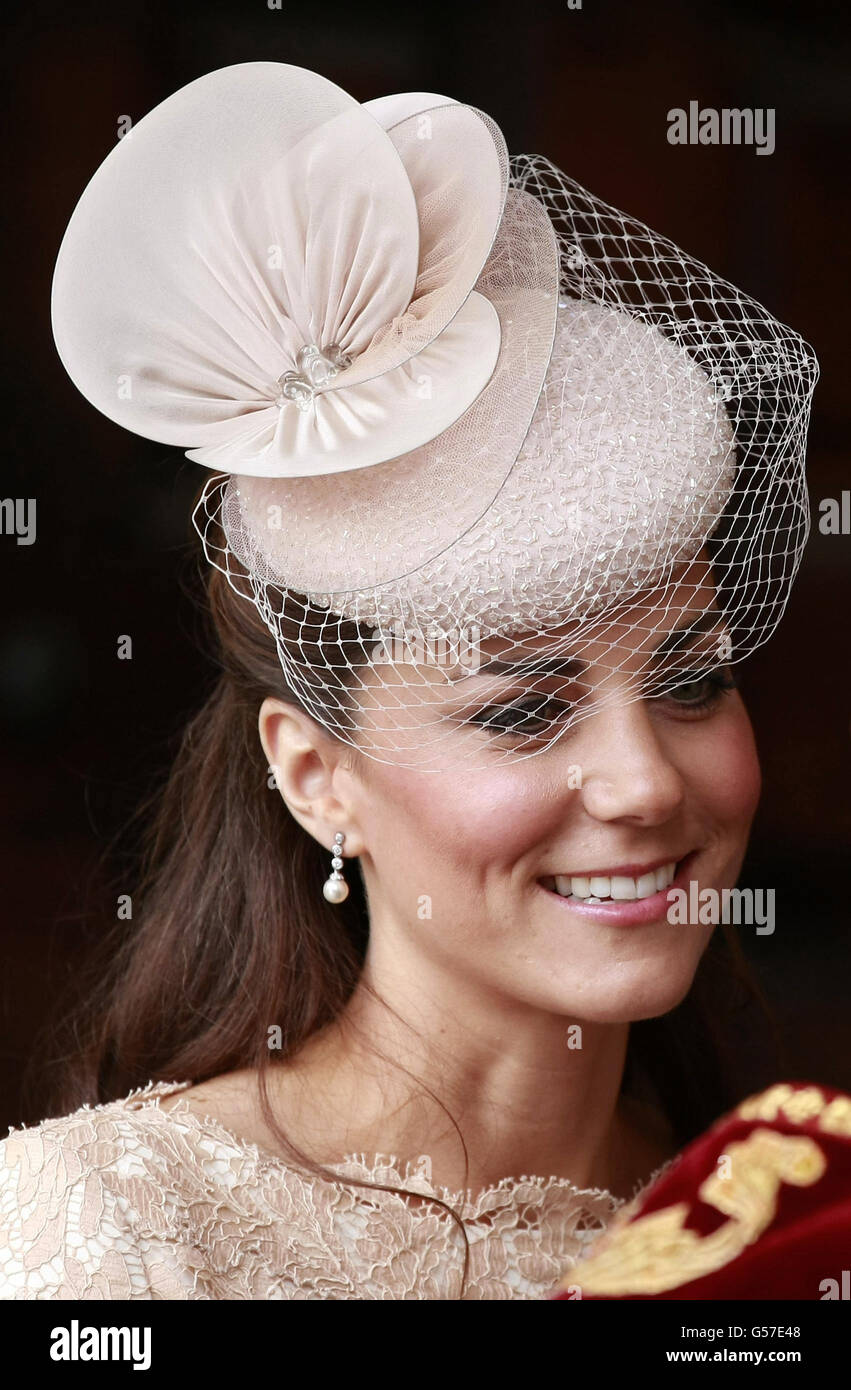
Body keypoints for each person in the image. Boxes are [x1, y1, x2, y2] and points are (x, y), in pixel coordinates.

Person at [0, 62, 818, 1300]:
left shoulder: (773, 1237)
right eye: (523, 711)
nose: (644, 781)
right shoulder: (122, 1233)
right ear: (317, 777)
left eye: (692, 681)